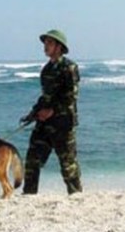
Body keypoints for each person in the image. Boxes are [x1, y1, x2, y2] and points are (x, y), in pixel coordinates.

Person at [21, 29, 82, 195]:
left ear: (59, 46)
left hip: (63, 123)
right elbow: (45, 97)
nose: (45, 46)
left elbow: (71, 96)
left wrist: (52, 111)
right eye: (45, 43)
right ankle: (29, 195)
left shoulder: (69, 67)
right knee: (32, 160)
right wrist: (33, 113)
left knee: (68, 165)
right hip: (44, 124)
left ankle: (77, 196)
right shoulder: (46, 70)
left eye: (49, 43)